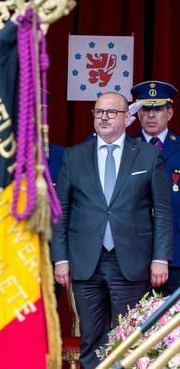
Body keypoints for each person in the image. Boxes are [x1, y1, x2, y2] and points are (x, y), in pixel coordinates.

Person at [52, 92, 172, 368]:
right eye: (98, 112)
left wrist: (160, 258)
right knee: (91, 340)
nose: (103, 117)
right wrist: (61, 259)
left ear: (127, 118)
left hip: (131, 262)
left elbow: (163, 211)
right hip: (85, 264)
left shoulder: (147, 155)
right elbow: (62, 212)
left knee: (129, 338)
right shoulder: (74, 155)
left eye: (111, 112)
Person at [131, 81, 180, 293]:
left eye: (158, 109)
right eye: (145, 109)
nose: (151, 115)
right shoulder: (122, 147)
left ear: (169, 113)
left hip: (176, 251)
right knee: (129, 323)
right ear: (136, 114)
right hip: (131, 253)